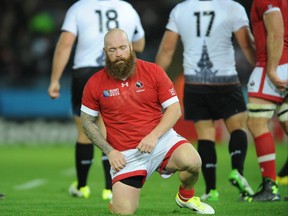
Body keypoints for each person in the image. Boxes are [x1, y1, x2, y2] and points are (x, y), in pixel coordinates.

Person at [80, 28, 215, 215]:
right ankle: (118, 201)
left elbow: (174, 110)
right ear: (105, 53)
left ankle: (186, 197)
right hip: (127, 156)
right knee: (124, 212)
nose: (118, 54)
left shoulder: (153, 71)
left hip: (161, 141)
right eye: (112, 50)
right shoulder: (95, 83)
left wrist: (154, 136)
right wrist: (109, 152)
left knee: (193, 162)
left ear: (131, 47)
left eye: (122, 48)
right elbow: (86, 122)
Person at [155, 0, 256, 201]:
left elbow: (167, 50)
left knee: (205, 135)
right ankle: (237, 171)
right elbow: (246, 44)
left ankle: (211, 190)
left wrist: (152, 82)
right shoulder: (232, 7)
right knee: (237, 127)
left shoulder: (180, 9)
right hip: (225, 79)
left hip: (194, 82)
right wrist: (261, 70)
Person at [48, 0, 145, 200]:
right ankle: (110, 188)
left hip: (85, 73)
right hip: (115, 71)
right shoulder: (127, 8)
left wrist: (55, 80)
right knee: (110, 131)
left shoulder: (79, 7)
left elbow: (65, 43)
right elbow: (140, 44)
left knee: (84, 131)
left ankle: (82, 186)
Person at [245, 0, 288, 202]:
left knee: (256, 122)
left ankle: (270, 187)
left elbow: (276, 30)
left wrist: (271, 68)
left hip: (275, 64)